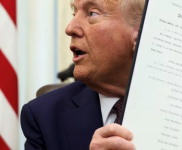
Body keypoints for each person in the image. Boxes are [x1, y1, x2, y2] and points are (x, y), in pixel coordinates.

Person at [20, 0, 145, 149]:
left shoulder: (178, 106)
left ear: (141, 35)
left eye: (92, 13)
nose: (70, 28)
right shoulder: (44, 117)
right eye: (74, 12)